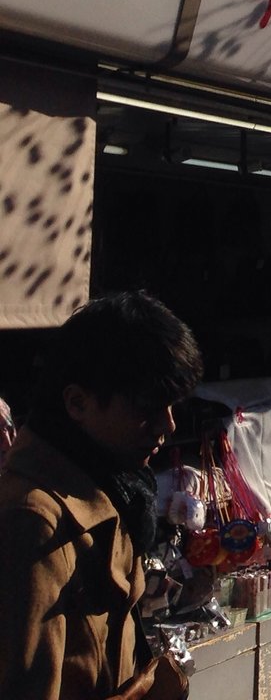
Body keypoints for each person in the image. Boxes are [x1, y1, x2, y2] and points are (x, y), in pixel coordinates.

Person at [0, 291, 202, 700]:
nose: (167, 425)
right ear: (77, 403)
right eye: (147, 407)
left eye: (171, 405)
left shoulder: (114, 485)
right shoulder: (35, 520)